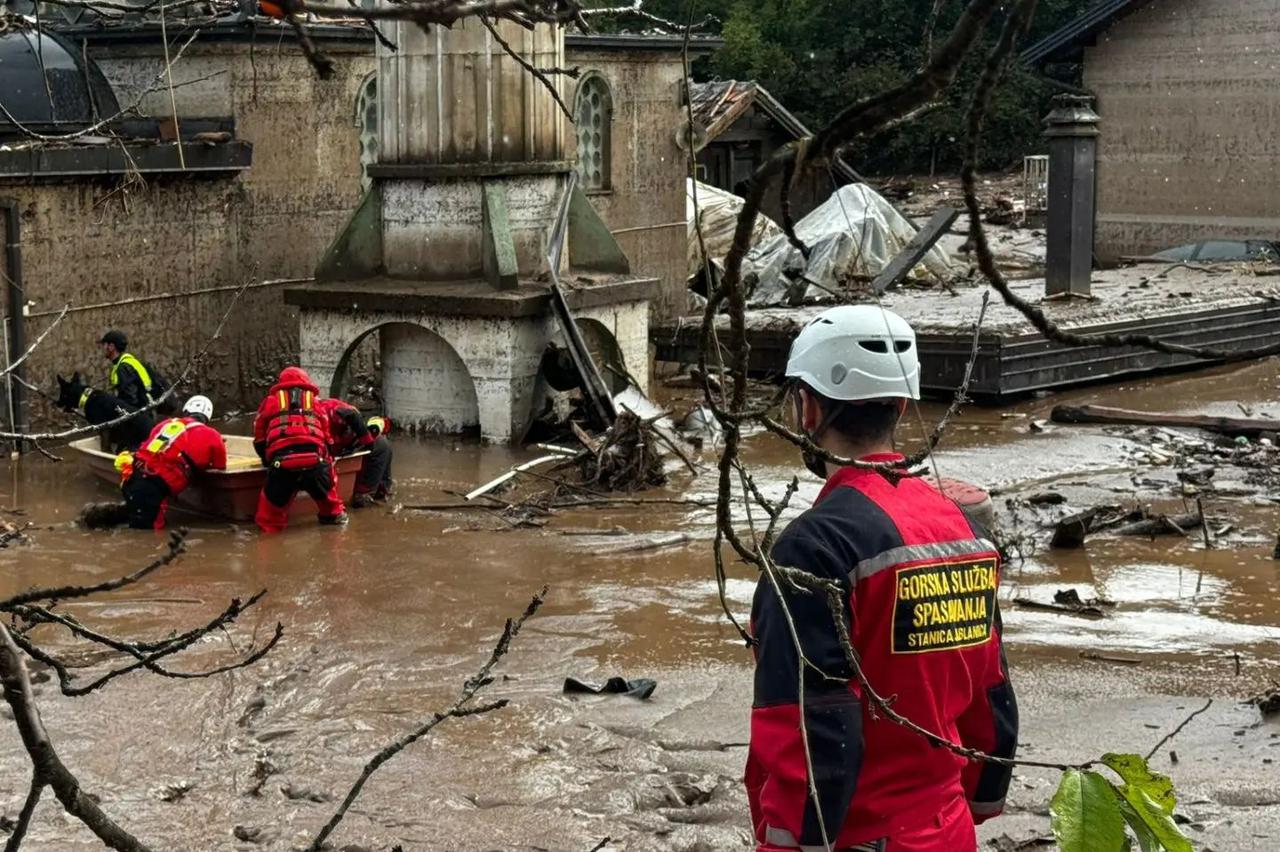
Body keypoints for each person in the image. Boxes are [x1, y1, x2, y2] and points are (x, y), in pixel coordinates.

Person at [746, 305, 1017, 852]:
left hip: (859, 836)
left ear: (808, 408)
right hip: (947, 828)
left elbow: (807, 721)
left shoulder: (814, 548)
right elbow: (990, 688)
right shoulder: (962, 528)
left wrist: (786, 845)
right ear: (900, 403)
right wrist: (982, 795)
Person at [252, 367, 347, 533]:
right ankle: (334, 524)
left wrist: (266, 461)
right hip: (315, 463)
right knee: (333, 509)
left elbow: (259, 436)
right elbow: (327, 439)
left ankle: (268, 548)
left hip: (281, 465)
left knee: (268, 520)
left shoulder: (270, 402)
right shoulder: (316, 404)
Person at [117, 395, 226, 530]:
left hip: (131, 477)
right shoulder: (213, 435)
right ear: (207, 418)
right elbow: (220, 466)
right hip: (152, 488)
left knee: (137, 524)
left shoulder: (165, 424)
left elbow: (148, 449)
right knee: (150, 538)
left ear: (185, 412)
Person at [316, 397, 394, 508]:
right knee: (382, 445)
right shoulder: (328, 412)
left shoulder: (332, 410)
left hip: (330, 447)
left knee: (381, 446)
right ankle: (365, 494)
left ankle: (372, 492)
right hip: (321, 451)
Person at [99, 330, 170, 410]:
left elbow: (130, 399)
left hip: (140, 413)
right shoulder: (128, 362)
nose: (102, 348)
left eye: (104, 345)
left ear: (111, 347)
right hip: (146, 409)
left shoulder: (123, 367)